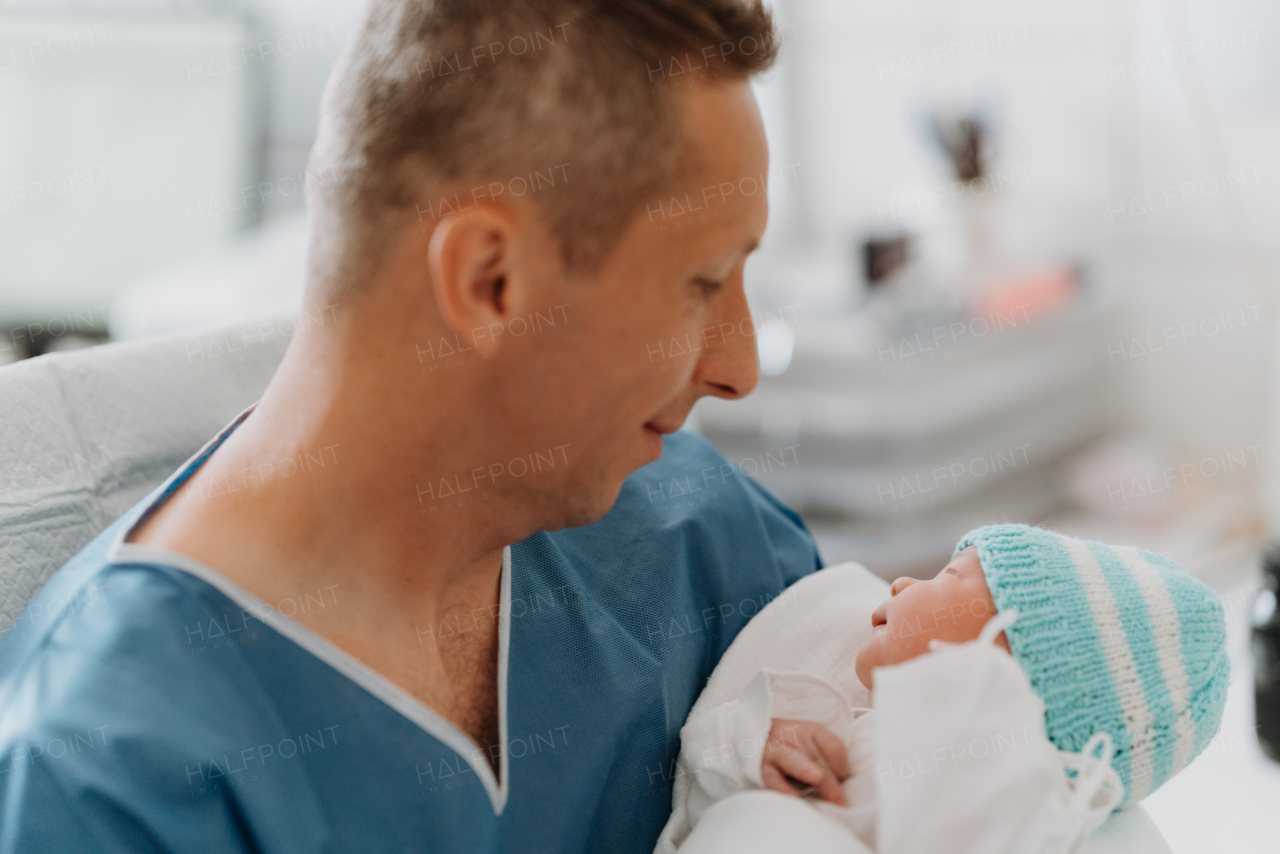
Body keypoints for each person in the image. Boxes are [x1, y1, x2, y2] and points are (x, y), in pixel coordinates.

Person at [0, 2, 821, 852]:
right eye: (703, 283)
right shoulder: (110, 779)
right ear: (489, 279)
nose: (739, 367)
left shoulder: (703, 544)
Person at [669, 524, 1229, 853]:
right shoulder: (848, 719)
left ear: (1003, 657)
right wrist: (759, 739)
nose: (903, 581)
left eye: (950, 577)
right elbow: (700, 772)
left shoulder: (1009, 794)